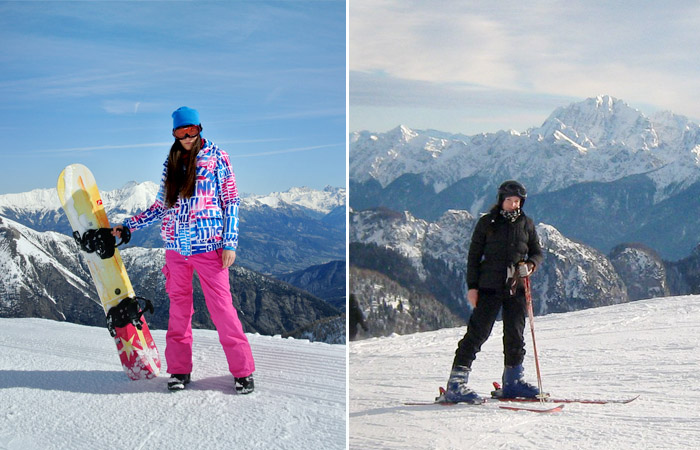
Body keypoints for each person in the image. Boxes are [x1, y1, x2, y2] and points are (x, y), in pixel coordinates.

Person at [113, 106, 255, 393]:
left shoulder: (217, 157)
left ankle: (242, 372)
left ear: (200, 128)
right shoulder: (172, 161)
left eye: (192, 130)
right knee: (179, 312)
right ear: (174, 134)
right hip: (176, 249)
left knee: (223, 311)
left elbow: (231, 202)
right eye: (181, 132)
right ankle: (179, 370)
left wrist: (230, 242)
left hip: (209, 247)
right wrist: (129, 226)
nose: (188, 137)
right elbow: (160, 206)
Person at [444, 180, 544, 403]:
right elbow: (473, 256)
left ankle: (513, 381)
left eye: (517, 201)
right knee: (478, 333)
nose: (513, 205)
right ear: (501, 201)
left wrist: (530, 265)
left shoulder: (526, 224)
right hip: (489, 286)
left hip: (516, 288)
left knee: (515, 335)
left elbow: (537, 252)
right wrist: (472, 287)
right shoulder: (487, 223)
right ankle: (456, 384)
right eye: (509, 200)